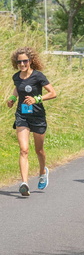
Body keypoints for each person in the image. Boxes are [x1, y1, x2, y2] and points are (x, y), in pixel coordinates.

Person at [7, 47, 57, 196]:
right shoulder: (16, 77)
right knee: (24, 149)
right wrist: (13, 99)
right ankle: (24, 183)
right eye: (19, 62)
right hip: (22, 115)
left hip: (38, 116)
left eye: (25, 61)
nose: (22, 64)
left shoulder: (38, 76)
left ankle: (42, 171)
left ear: (30, 61)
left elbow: (53, 93)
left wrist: (37, 99)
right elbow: (18, 89)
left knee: (39, 150)